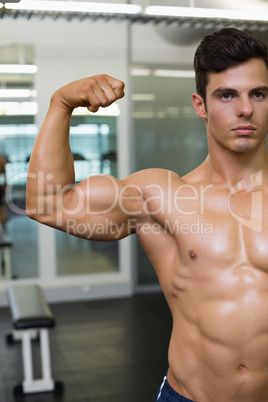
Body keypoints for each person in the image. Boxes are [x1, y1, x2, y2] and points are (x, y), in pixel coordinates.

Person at [26, 27, 268, 402]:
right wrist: (61, 104)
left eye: (258, 93)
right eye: (226, 95)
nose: (245, 109)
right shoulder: (162, 195)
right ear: (200, 105)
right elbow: (47, 204)